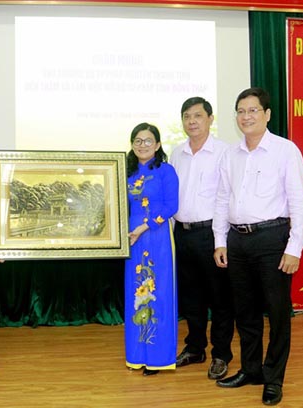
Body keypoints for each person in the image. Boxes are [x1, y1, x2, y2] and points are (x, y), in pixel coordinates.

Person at [213, 87, 303, 406]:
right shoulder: (230, 154)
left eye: (253, 110)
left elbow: (299, 202)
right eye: (241, 111)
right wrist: (220, 240)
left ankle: (273, 378)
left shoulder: (285, 150)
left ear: (267, 114)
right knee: (245, 312)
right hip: (237, 241)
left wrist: (294, 247)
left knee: (277, 312)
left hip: (272, 239)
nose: (246, 116)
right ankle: (251, 369)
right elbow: (222, 199)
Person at [169, 97, 234, 380]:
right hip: (182, 234)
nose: (192, 121)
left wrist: (221, 240)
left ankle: (221, 354)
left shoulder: (224, 152)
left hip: (212, 234)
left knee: (220, 298)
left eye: (197, 115)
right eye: (187, 116)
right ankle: (195, 348)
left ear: (210, 119)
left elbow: (226, 197)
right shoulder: (176, 153)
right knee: (191, 297)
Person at [124, 122, 179, 376]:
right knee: (136, 292)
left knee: (159, 293)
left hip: (157, 237)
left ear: (157, 145)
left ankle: (158, 357)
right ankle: (137, 355)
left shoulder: (166, 171)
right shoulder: (127, 172)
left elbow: (171, 206)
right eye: (137, 140)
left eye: (147, 141)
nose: (142, 145)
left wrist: (145, 227)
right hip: (132, 239)